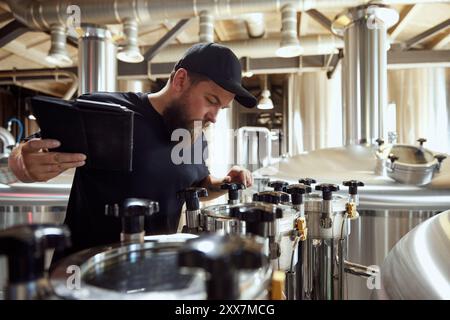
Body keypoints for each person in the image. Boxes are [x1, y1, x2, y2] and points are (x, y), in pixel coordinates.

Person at [8, 43, 256, 255]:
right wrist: (23, 163)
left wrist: (223, 183)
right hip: (87, 275)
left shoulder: (193, 133)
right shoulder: (106, 110)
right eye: (211, 101)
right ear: (180, 80)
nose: (214, 117)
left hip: (152, 272)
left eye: (221, 109)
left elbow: (193, 187)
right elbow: (29, 151)